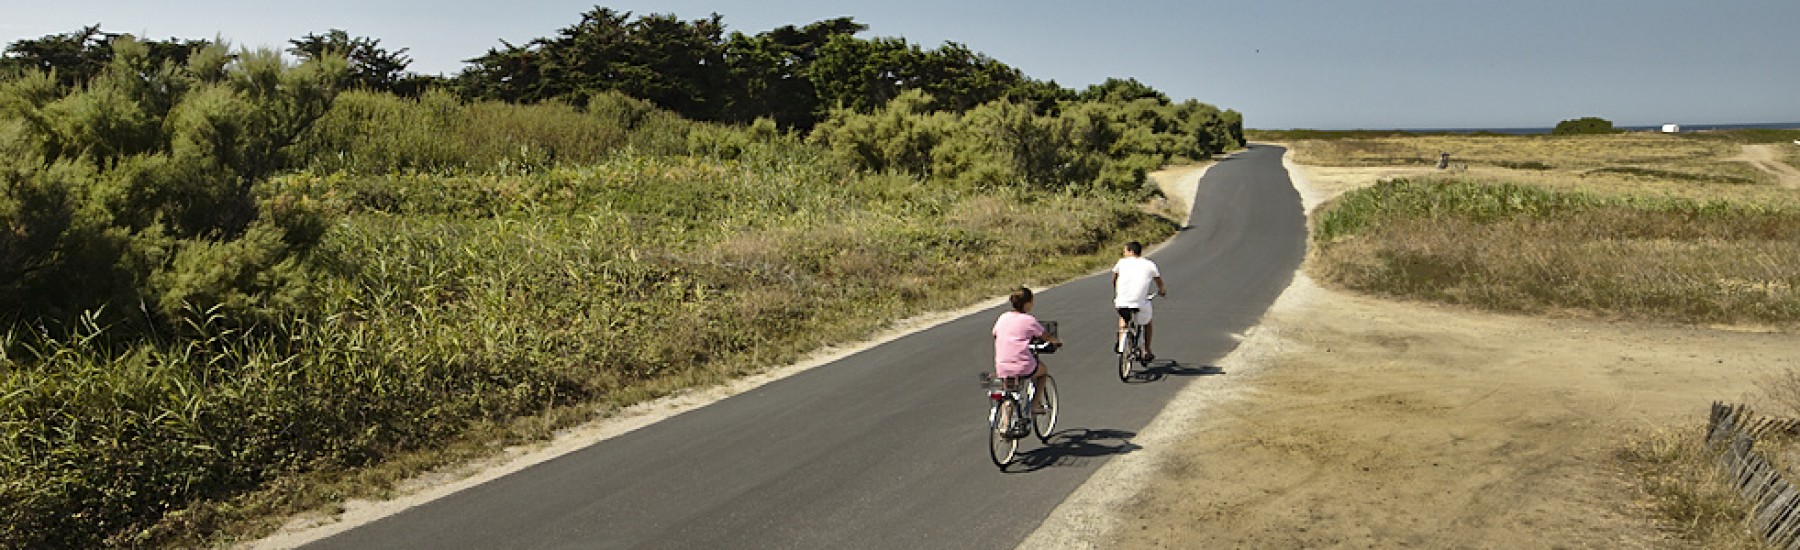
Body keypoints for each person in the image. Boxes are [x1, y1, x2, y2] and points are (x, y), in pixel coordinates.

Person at [993, 287, 1060, 429]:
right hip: (1022, 365)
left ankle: (1005, 426)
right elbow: (1045, 336)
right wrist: (1056, 342)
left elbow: (995, 334)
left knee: (1009, 392)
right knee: (1043, 372)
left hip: (1002, 366)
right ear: (1027, 304)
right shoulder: (1029, 320)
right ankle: (1035, 405)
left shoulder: (1003, 317)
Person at [1112, 241, 1168, 361]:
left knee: (1123, 317)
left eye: (1125, 251)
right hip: (1140, 302)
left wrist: (1117, 290)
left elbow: (1115, 278)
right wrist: (1162, 291)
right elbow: (1159, 283)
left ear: (1131, 251)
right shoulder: (1149, 264)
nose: (1124, 254)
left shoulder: (1121, 263)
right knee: (1147, 323)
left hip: (1121, 301)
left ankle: (1121, 339)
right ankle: (1147, 350)